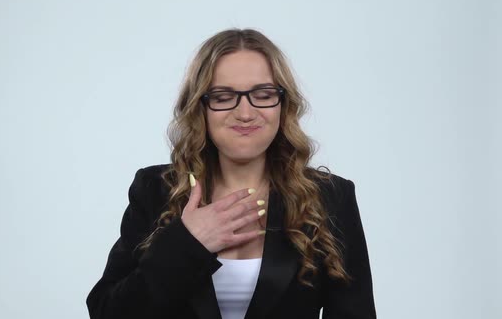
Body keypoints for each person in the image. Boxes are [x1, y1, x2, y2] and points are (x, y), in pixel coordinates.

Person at [86, 28, 376, 319]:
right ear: (200, 106)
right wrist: (186, 242)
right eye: (224, 97)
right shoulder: (155, 190)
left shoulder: (331, 197)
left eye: (263, 94)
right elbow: (106, 313)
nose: (246, 113)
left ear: (282, 104)